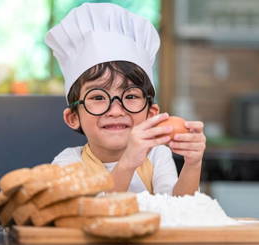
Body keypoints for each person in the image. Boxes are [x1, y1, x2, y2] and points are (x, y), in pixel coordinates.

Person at [45, 3, 205, 195]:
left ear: (151, 114)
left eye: (130, 96)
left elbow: (178, 209)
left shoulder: (156, 156)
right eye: (98, 97)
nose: (115, 110)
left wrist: (193, 164)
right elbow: (91, 213)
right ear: (73, 117)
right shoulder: (69, 162)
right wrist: (127, 163)